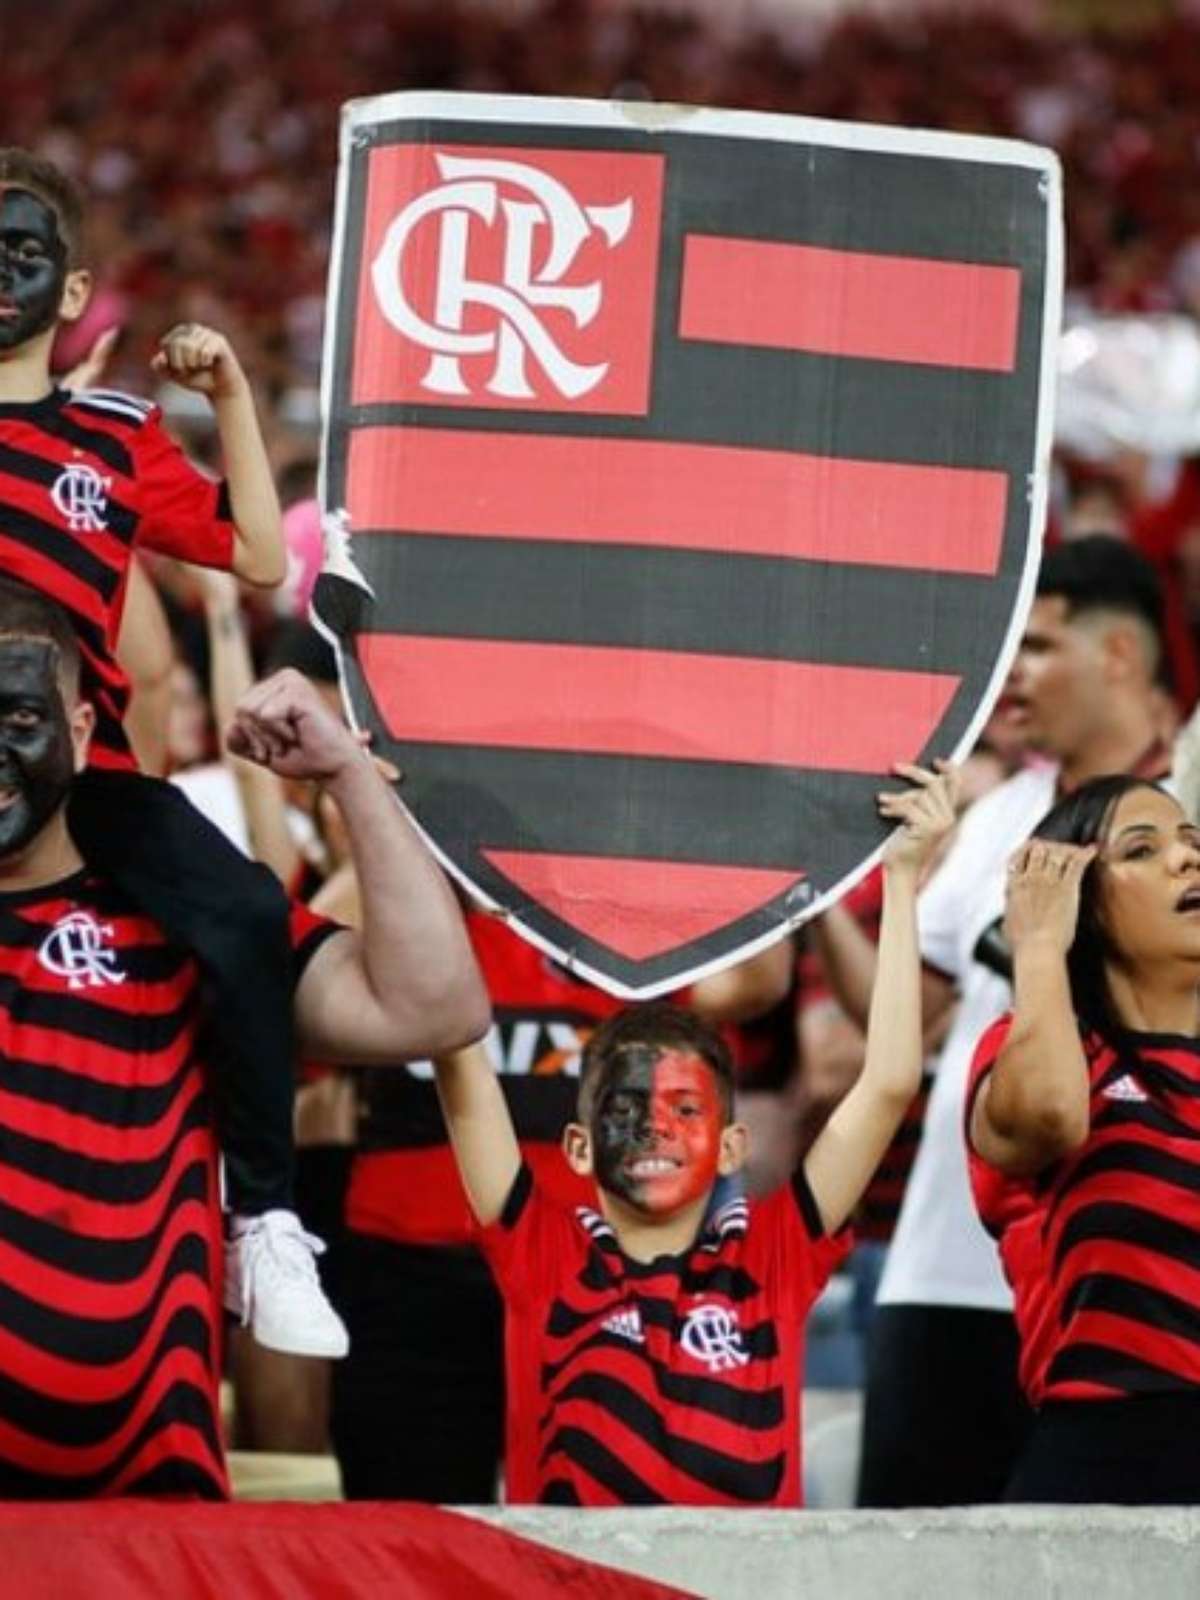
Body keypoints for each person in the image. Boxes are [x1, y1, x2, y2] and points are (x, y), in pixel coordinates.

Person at [0, 577, 488, 1497]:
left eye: (18, 717)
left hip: (149, 1515)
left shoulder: (188, 921)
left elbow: (434, 1007)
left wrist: (350, 778)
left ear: (79, 732)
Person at [0, 147, 339, 1357]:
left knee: (248, 912)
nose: (1, 273)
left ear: (78, 286)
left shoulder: (111, 433)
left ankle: (262, 1221)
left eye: (24, 252)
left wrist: (236, 399)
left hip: (77, 784)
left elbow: (258, 558)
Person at [432, 761, 957, 1506]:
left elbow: (890, 1081)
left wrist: (902, 878)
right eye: (624, 1109)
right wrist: (421, 838)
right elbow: (454, 1043)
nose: (654, 1127)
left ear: (734, 1145)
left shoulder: (777, 1253)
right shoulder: (539, 1253)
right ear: (578, 1146)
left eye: (686, 1108)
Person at [810, 534, 1174, 1505]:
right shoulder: (1002, 812)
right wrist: (812, 890)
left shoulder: (1186, 820)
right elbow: (905, 1015)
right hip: (950, 1262)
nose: (1011, 678)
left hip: (1133, 1283)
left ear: (1120, 657)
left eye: (1039, 649)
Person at [967, 776, 1200, 1503]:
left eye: (1193, 843)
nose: (1186, 862)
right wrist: (1038, 945)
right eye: (1142, 849)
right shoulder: (1037, 1050)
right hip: (1108, 1460)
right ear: (1079, 901)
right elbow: (1047, 1116)